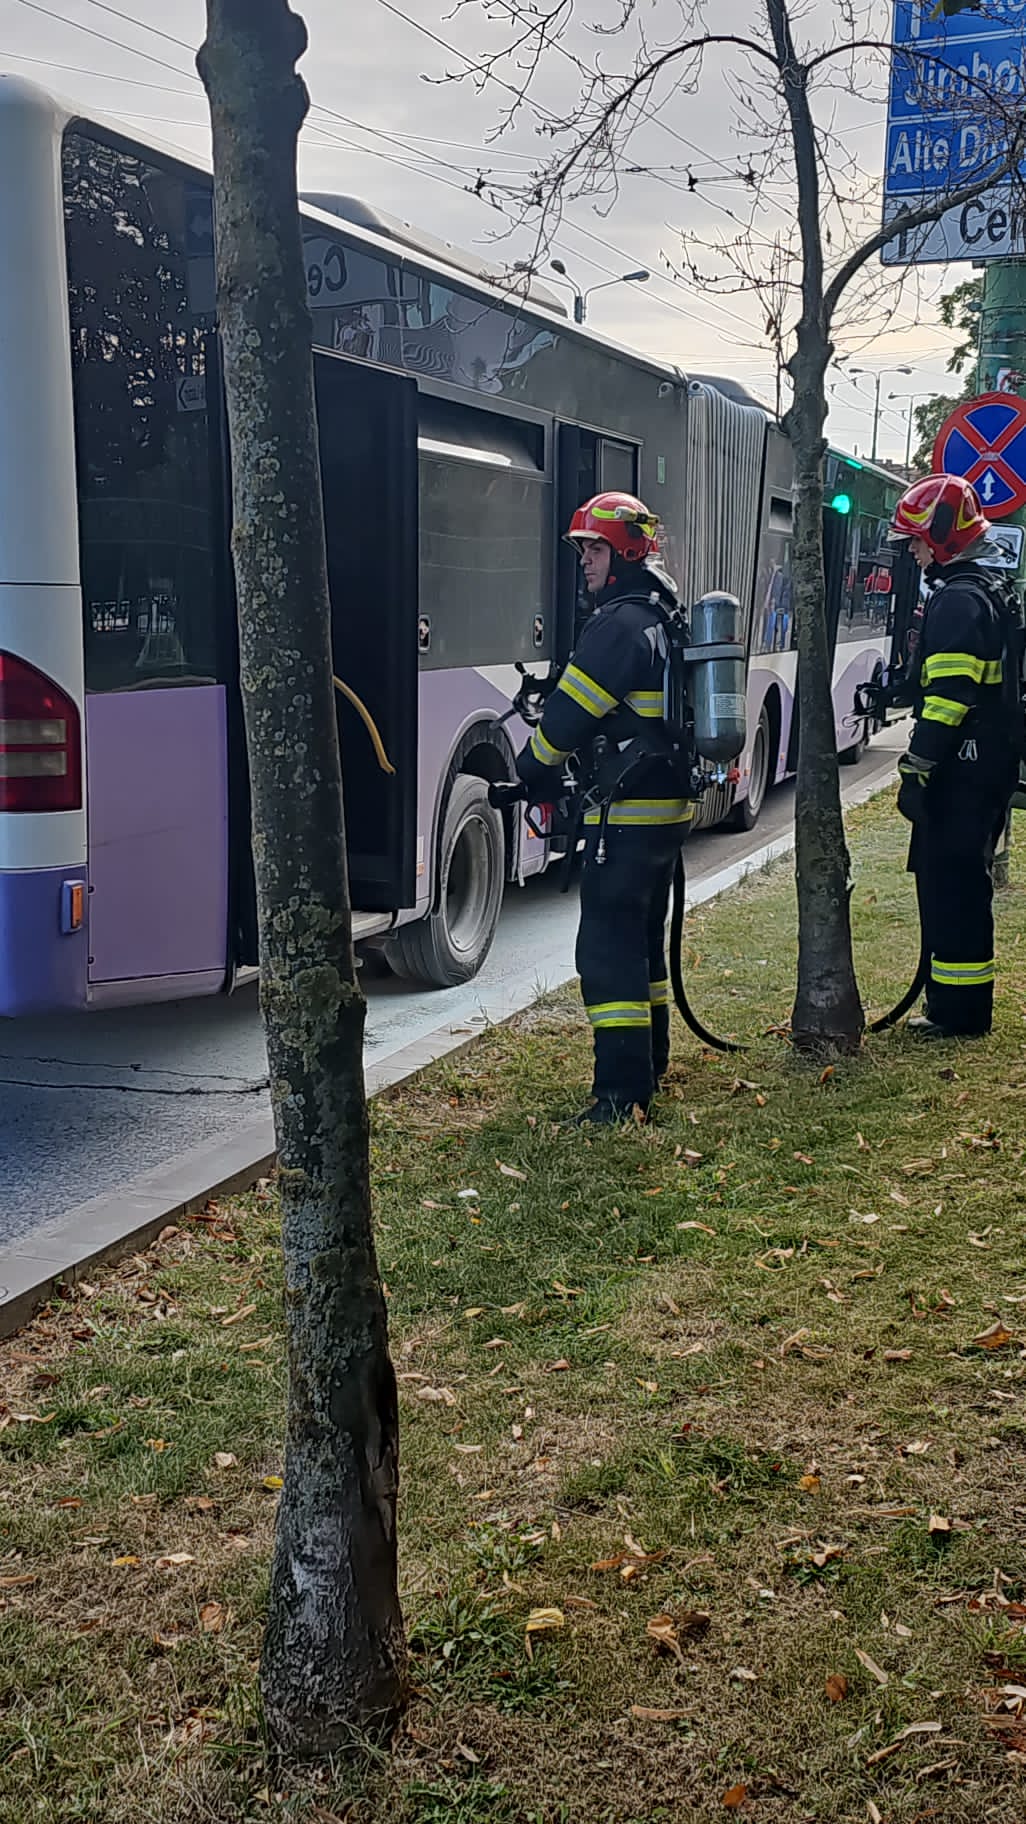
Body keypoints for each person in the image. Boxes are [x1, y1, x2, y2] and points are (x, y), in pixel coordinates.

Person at [515, 491, 693, 1123]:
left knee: (606, 949)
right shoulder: (659, 615)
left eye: (594, 549)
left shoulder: (618, 625)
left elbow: (565, 718)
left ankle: (620, 1095)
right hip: (662, 810)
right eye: (583, 549)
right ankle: (652, 1062)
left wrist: (529, 766)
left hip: (628, 814)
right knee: (642, 942)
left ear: (622, 553)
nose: (585, 561)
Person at [887, 474, 1021, 1039]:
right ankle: (954, 1006)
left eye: (916, 540)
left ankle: (959, 1015)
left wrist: (916, 770)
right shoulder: (985, 590)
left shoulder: (960, 600)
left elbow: (947, 700)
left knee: (955, 889)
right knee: (960, 886)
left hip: (962, 773)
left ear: (942, 536)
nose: (913, 551)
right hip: (983, 767)